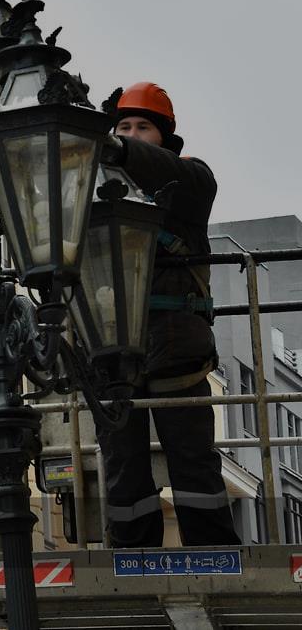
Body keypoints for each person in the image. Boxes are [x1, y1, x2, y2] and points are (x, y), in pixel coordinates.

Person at [96, 82, 241, 547]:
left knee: (192, 458)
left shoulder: (190, 179)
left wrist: (116, 148)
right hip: (112, 345)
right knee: (122, 463)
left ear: (165, 137)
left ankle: (213, 552)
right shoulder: (92, 188)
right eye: (124, 126)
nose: (132, 134)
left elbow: (170, 173)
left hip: (176, 341)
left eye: (143, 126)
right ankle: (132, 553)